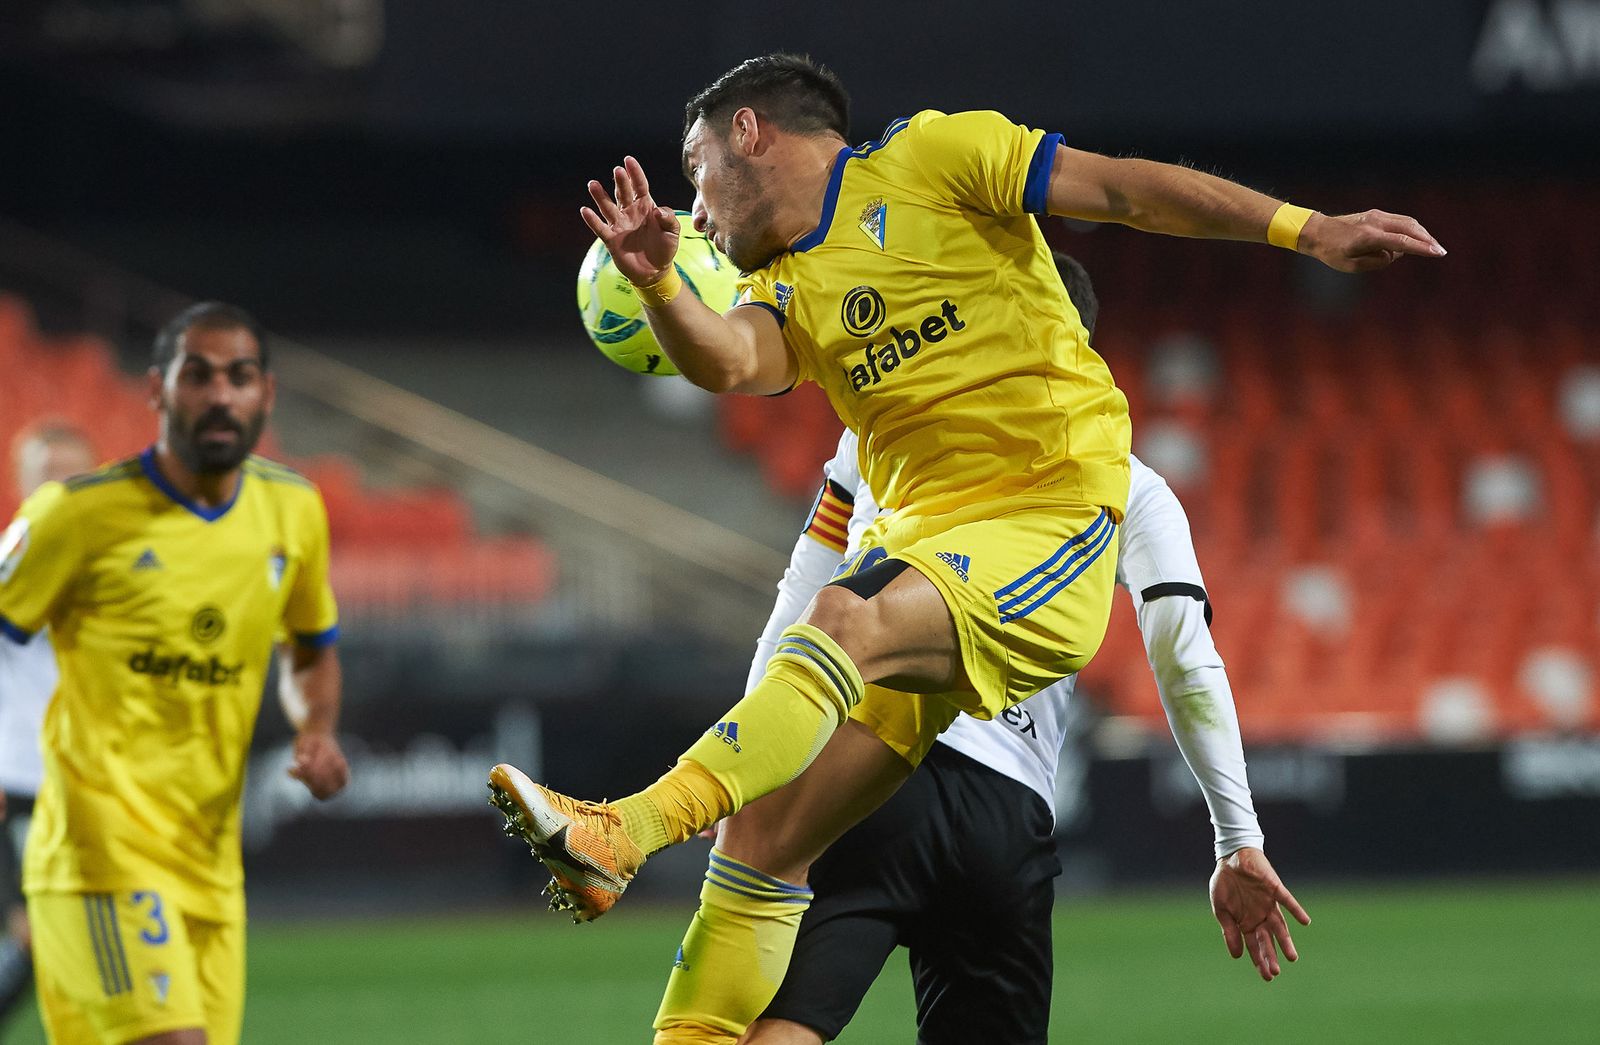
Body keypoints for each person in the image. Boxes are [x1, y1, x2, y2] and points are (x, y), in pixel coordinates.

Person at [488, 53, 1439, 1043]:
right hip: (926, 561)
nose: (695, 210)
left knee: (843, 617)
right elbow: (729, 360)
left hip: (1049, 512)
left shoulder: (935, 156)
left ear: (750, 132)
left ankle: (624, 828)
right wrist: (658, 291)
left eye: (695, 169)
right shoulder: (789, 286)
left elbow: (1119, 189)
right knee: (760, 837)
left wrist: (1307, 229)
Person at [746, 256, 1263, 1045]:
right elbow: (1186, 661)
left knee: (789, 1020)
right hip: (1004, 807)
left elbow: (800, 598)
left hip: (862, 769)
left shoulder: (879, 432)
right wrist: (1238, 837)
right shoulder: (1129, 484)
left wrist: (750, 761)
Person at [0, 303, 350, 1045]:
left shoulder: (292, 509)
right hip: (98, 857)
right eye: (198, 375)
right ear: (157, 391)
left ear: (267, 395)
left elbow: (310, 646)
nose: (220, 394)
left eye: (239, 376)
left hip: (210, 870)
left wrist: (316, 726)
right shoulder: (74, 515)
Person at [0, 422, 98, 1033]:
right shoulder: (10, 567)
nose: (61, 486)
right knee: (34, 938)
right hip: (21, 788)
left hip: (98, 787)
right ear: (21, 482)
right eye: (47, 473)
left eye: (73, 473)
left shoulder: (125, 571)